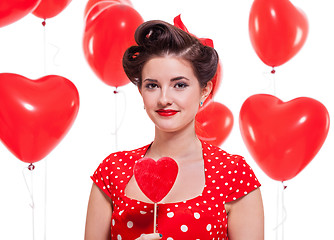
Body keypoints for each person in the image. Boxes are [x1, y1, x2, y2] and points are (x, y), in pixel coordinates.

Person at [85, 19, 264, 240]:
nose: (164, 99)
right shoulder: (112, 170)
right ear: (141, 91)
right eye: (152, 85)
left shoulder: (234, 174)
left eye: (179, 85)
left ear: (204, 91)